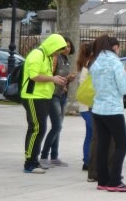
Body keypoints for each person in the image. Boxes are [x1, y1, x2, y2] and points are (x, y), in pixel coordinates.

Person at [89, 35, 126, 192]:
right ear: (113, 47)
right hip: (113, 109)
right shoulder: (115, 62)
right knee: (122, 144)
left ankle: (102, 180)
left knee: (103, 144)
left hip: (98, 108)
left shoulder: (94, 62)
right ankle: (115, 181)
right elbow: (125, 88)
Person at [21, 33, 68, 174]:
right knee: (37, 128)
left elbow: (46, 76)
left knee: (39, 129)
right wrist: (53, 79)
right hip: (33, 96)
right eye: (57, 49)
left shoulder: (47, 56)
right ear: (52, 45)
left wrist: (55, 79)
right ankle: (29, 163)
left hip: (42, 97)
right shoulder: (37, 54)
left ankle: (34, 160)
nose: (58, 53)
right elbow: (34, 75)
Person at [39, 36, 76, 168]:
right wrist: (63, 83)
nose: (67, 48)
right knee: (57, 126)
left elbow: (62, 78)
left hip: (62, 95)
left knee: (58, 127)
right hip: (53, 95)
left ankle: (54, 156)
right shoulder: (56, 58)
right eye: (65, 46)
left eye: (69, 46)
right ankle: (44, 156)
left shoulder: (67, 60)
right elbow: (51, 76)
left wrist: (69, 79)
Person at [76, 42, 94, 171]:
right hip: (88, 106)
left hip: (85, 106)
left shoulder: (85, 64)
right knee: (95, 133)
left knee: (90, 133)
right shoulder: (90, 65)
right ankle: (89, 161)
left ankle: (87, 161)